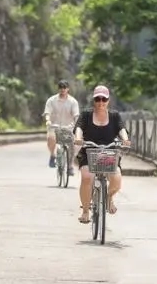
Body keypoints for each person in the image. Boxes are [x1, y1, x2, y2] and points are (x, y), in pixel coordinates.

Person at [73, 85, 131, 224]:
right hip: (89, 152)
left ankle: (109, 197)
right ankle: (86, 211)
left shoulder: (114, 115)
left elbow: (121, 128)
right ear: (94, 100)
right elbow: (79, 127)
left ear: (108, 100)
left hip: (109, 153)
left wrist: (125, 139)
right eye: (98, 99)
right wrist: (79, 138)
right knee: (87, 177)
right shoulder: (86, 114)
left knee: (116, 180)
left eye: (103, 99)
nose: (100, 102)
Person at [42, 79, 80, 175]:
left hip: (68, 127)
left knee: (73, 144)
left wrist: (77, 124)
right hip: (54, 126)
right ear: (58, 89)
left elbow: (76, 115)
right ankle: (52, 155)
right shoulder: (51, 100)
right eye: (61, 88)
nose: (62, 90)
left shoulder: (73, 101)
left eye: (64, 88)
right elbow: (47, 113)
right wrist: (48, 120)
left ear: (68, 89)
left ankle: (70, 166)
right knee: (51, 138)